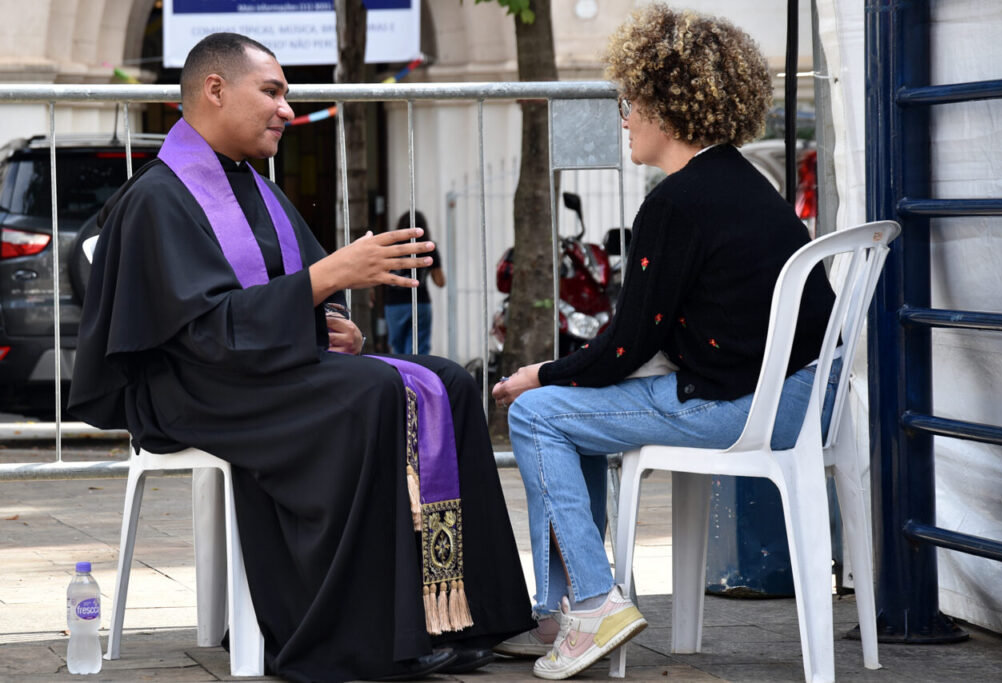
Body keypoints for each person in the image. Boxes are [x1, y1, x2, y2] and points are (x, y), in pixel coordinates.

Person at [69, 32, 533, 682]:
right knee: (373, 396)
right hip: (193, 387)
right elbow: (204, 333)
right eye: (273, 92)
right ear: (214, 89)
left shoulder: (255, 188)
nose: (288, 109)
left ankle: (458, 611)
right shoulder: (158, 198)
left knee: (447, 381)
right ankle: (355, 634)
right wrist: (328, 280)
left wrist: (336, 327)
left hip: (251, 369)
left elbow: (287, 298)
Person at [491, 5, 838, 680]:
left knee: (537, 412)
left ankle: (588, 603)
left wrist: (540, 372)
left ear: (665, 105)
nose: (623, 117)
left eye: (630, 101)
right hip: (801, 400)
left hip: (740, 407)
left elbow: (624, 346)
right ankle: (559, 612)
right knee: (566, 407)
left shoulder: (675, 203)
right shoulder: (744, 181)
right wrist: (564, 374)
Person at [383, 210, 446, 354]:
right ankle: (417, 375)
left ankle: (400, 375)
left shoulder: (391, 248)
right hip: (420, 302)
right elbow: (440, 282)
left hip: (394, 304)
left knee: (397, 348)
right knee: (419, 348)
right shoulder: (428, 248)